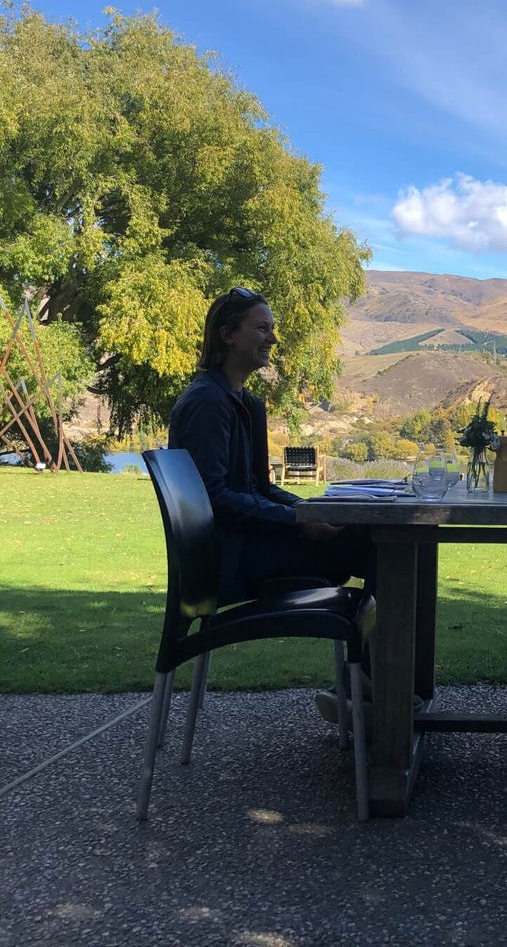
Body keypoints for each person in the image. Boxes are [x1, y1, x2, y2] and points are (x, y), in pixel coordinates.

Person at [168, 287, 376, 719]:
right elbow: (217, 499)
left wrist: (313, 511)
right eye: (262, 328)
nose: (273, 339)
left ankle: (371, 691)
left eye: (272, 329)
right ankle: (378, 698)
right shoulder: (207, 402)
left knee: (376, 543)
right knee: (382, 549)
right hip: (232, 561)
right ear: (228, 335)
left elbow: (260, 488)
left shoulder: (247, 404)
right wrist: (299, 523)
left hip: (254, 546)